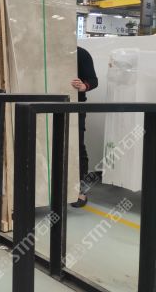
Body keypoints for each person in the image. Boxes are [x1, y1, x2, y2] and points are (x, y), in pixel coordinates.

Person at [71, 46, 98, 208]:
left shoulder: (81, 53)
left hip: (76, 106)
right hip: (48, 105)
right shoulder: (48, 51)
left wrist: (83, 86)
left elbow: (93, 80)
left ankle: (81, 191)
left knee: (77, 146)